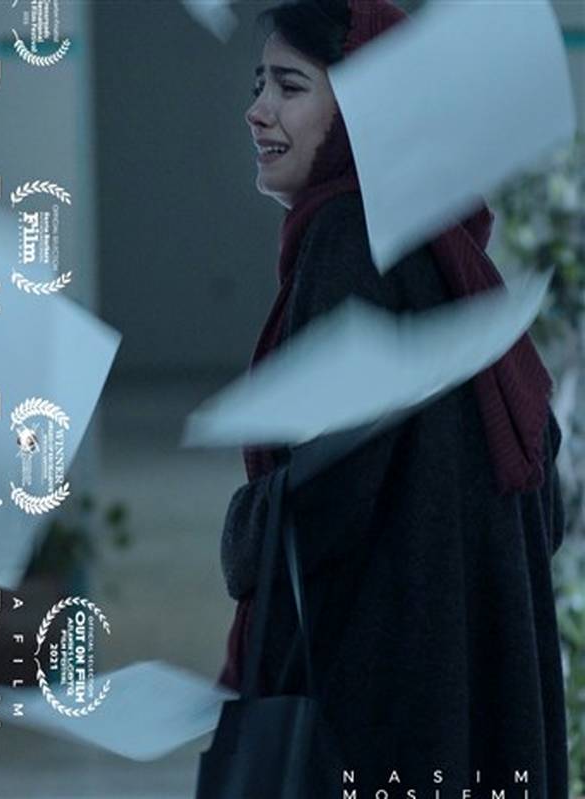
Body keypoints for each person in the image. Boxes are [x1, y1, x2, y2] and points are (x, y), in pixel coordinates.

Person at [215, 0, 568, 795]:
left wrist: (243, 529)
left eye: (290, 87)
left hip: (382, 709)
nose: (258, 110)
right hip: (464, 694)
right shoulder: (445, 250)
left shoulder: (349, 241)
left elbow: (325, 496)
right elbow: (542, 490)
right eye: (259, 84)